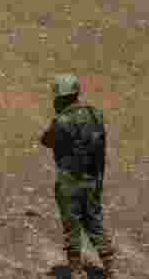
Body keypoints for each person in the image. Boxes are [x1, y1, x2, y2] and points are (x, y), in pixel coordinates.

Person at [40, 74, 116, 278]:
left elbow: (46, 140)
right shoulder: (95, 115)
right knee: (94, 221)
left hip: (69, 182)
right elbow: (101, 149)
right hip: (92, 178)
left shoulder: (62, 121)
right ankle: (109, 265)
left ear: (60, 98)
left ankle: (75, 270)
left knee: (71, 224)